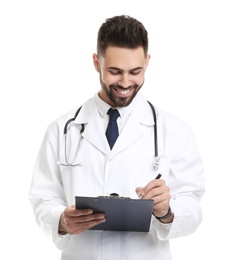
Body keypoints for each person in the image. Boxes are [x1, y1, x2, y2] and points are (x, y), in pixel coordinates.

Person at [28, 15, 205, 260]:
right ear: (96, 62)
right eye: (114, 71)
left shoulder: (174, 130)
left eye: (135, 71)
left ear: (147, 62)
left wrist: (167, 212)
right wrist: (61, 220)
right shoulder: (61, 130)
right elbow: (42, 199)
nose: (125, 82)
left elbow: (193, 208)